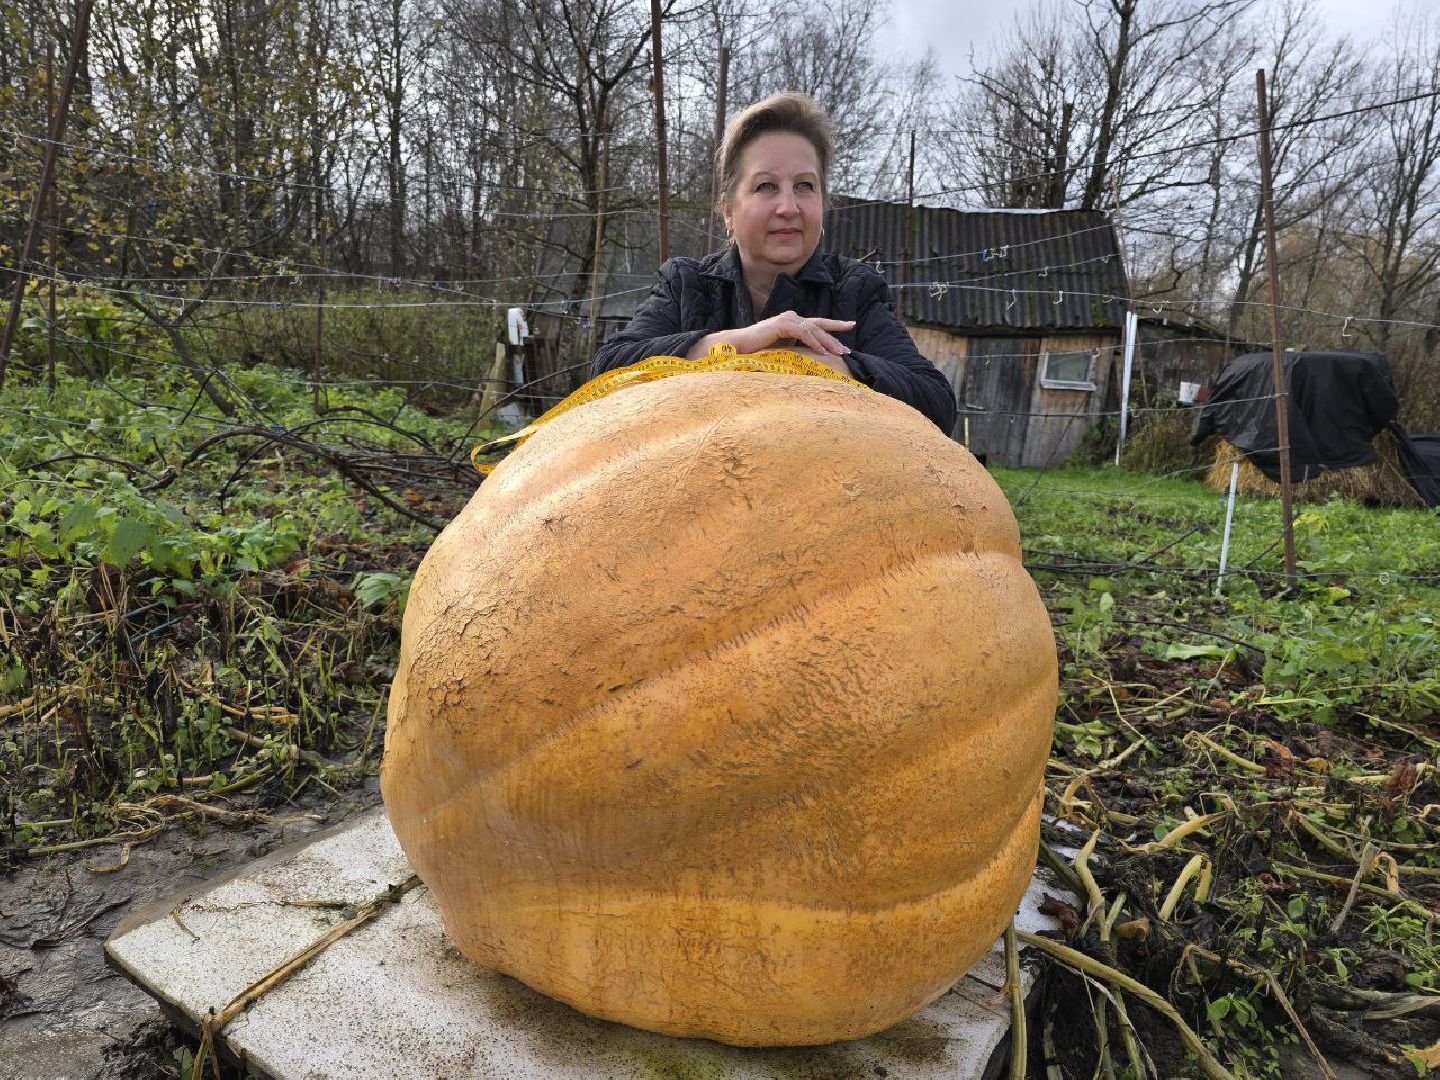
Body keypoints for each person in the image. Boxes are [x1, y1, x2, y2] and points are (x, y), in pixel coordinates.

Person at [591, 92, 957, 432]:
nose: (788, 207)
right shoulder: (686, 285)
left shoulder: (854, 290)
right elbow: (607, 372)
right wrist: (741, 342)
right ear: (728, 212)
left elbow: (936, 403)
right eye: (766, 186)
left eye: (805, 186)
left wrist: (824, 364)